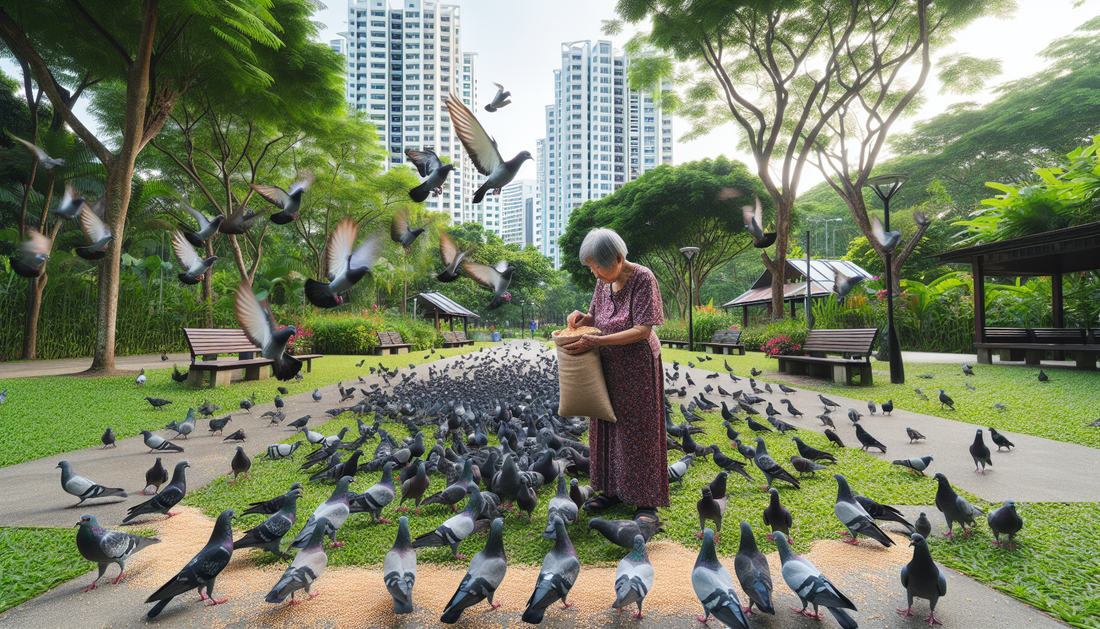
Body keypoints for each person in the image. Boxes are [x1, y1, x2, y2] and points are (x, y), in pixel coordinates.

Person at [563, 227, 669, 523]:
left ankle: (646, 501)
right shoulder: (602, 283)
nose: (595, 272)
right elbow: (597, 317)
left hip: (637, 364)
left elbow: (642, 330)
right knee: (606, 425)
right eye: (591, 267)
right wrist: (583, 320)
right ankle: (611, 490)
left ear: (619, 259)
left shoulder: (643, 278)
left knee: (639, 430)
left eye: (599, 265)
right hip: (606, 364)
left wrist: (596, 340)